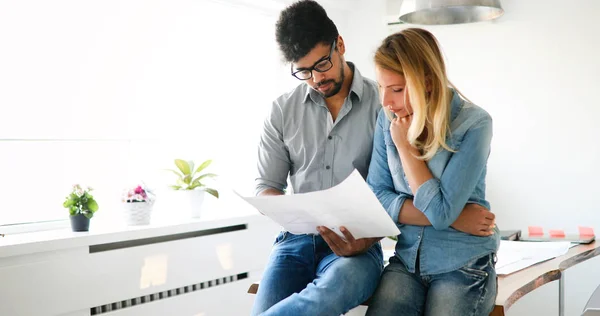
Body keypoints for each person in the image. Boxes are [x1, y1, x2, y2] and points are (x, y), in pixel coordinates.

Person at [365, 28, 500, 316]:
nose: (386, 102)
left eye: (397, 89)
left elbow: (440, 213)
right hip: (406, 260)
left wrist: (404, 147)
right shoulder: (386, 117)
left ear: (426, 82)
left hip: (463, 263)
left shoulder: (474, 124)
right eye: (381, 87)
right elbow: (375, 195)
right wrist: (457, 218)